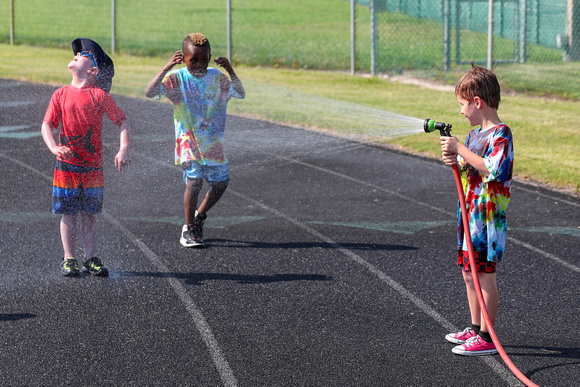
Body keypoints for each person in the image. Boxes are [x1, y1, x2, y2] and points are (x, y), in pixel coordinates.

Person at [145, 32, 245, 248]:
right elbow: (149, 91)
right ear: (183, 58)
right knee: (195, 182)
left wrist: (230, 70)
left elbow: (240, 92)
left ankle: (200, 216)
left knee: (220, 184)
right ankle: (189, 229)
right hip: (188, 142)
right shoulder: (177, 78)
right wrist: (166, 68)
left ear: (209, 58)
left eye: (204, 60)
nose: (200, 64)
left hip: (213, 143)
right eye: (194, 60)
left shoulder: (217, 78)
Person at [440, 64, 514, 356]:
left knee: (484, 275)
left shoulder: (501, 134)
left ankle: (487, 336)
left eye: (462, 105)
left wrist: (460, 149)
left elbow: (493, 169)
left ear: (478, 102)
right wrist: (455, 160)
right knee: (469, 273)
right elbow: (469, 168)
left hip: (487, 220)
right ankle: (474, 327)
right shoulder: (471, 137)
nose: (461, 112)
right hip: (468, 216)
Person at [41, 38, 131, 277]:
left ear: (93, 71)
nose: (76, 54)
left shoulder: (99, 96)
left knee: (90, 216)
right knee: (68, 214)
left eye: (83, 54)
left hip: (92, 168)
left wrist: (123, 148)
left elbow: (122, 121)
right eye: (77, 53)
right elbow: (47, 125)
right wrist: (53, 147)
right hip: (66, 167)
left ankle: (90, 257)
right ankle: (69, 257)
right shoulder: (60, 94)